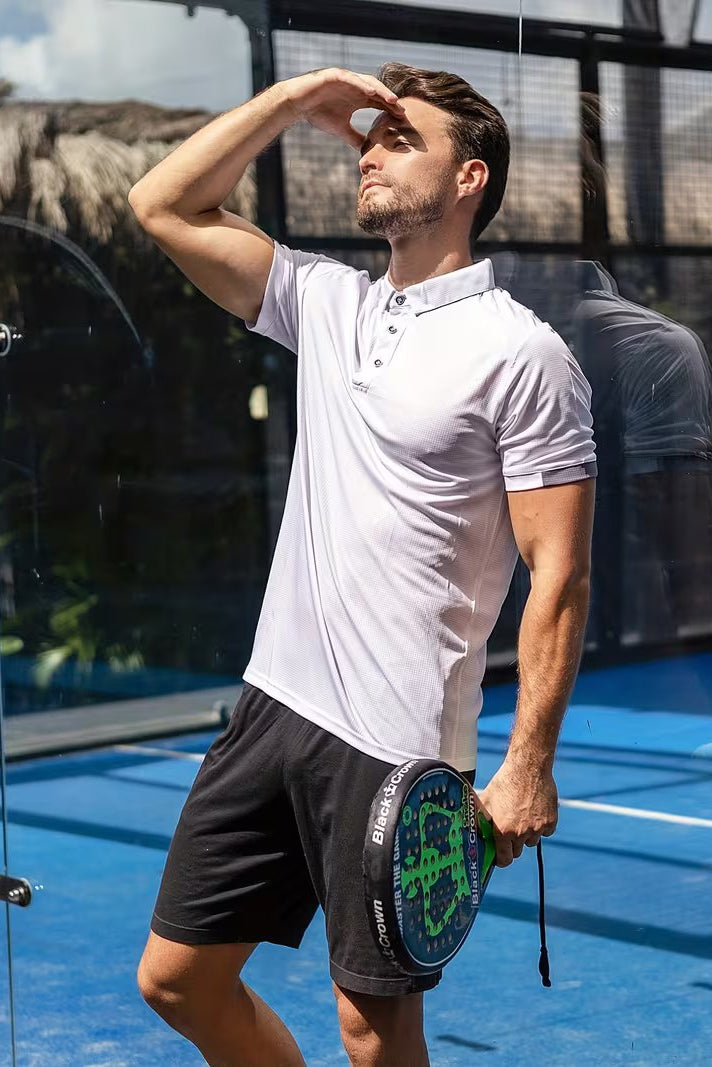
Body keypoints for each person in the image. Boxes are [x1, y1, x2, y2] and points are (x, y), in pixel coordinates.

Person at [128, 63, 597, 1067]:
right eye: (368, 137)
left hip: (398, 741)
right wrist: (291, 102)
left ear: (468, 178)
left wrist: (528, 763)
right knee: (176, 978)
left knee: (372, 1032)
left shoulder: (523, 353)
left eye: (400, 137)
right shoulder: (323, 300)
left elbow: (557, 572)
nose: (370, 152)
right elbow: (159, 204)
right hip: (274, 704)